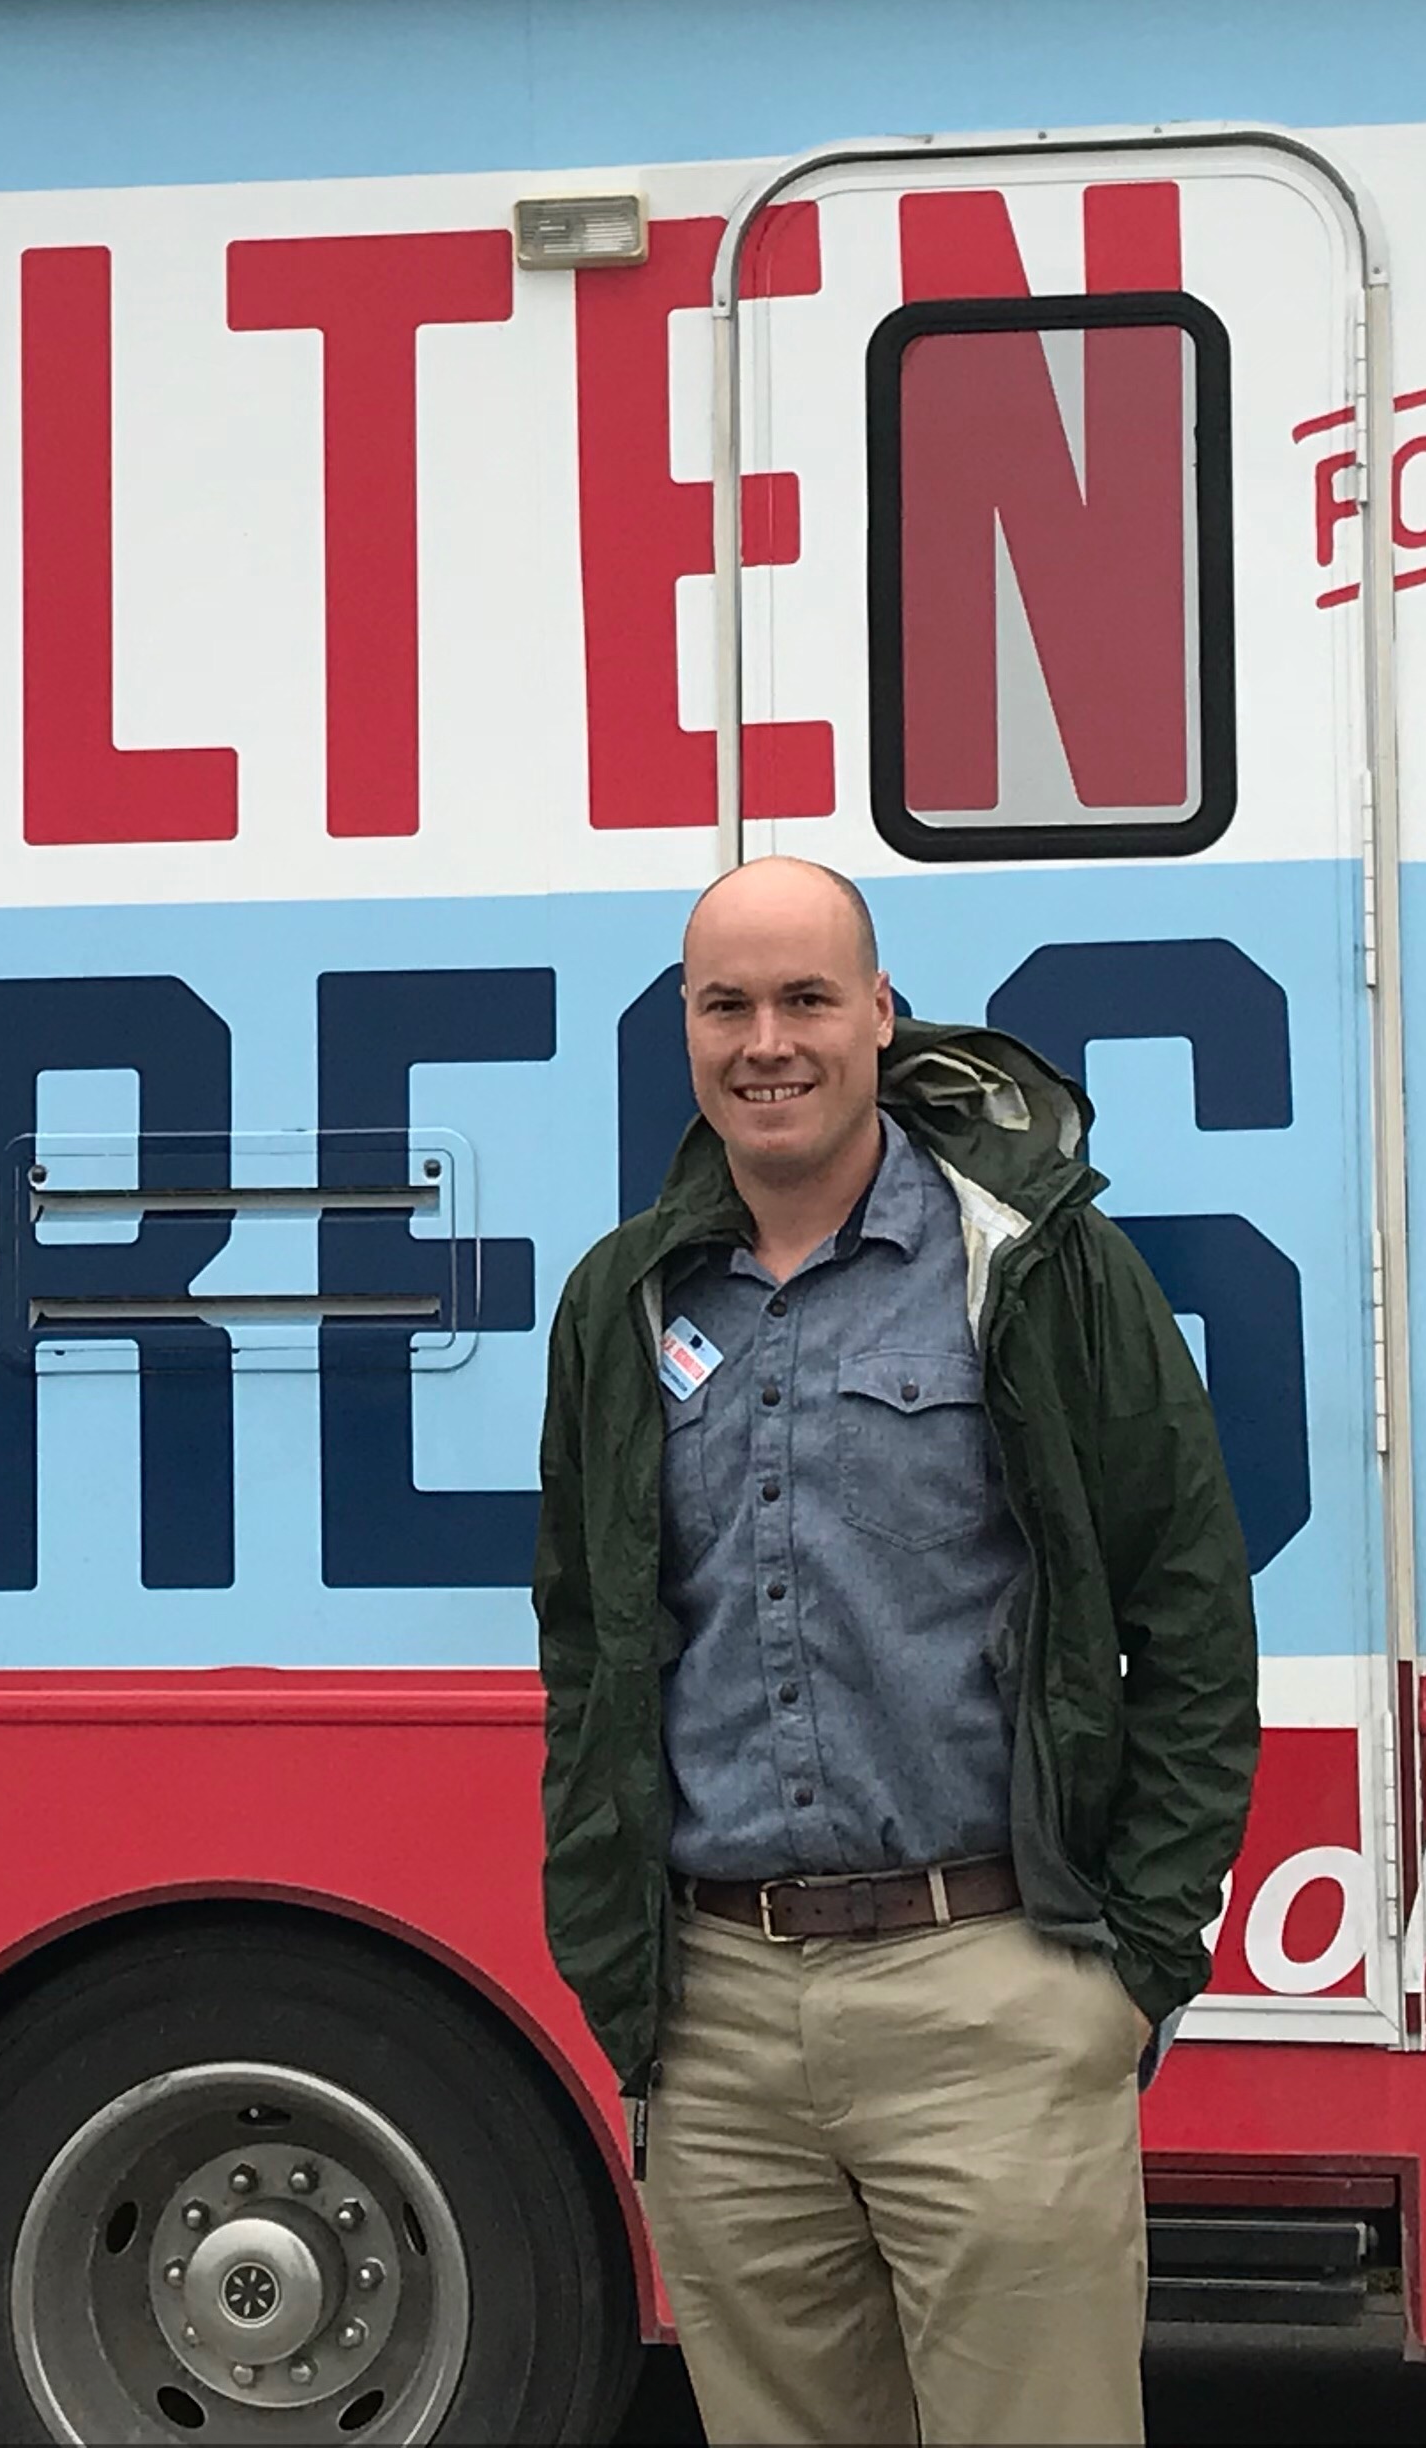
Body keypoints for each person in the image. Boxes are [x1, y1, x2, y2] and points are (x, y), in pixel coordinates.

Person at [530, 856, 1259, 2445]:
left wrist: (1131, 1967)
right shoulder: (622, 1300)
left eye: (805, 998)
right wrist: (617, 1967)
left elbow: (1188, 1604)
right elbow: (588, 1641)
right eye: (727, 1005)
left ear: (878, 1011)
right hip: (716, 2015)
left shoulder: (1036, 1267)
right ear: (686, 1027)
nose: (766, 1041)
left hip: (989, 1992)